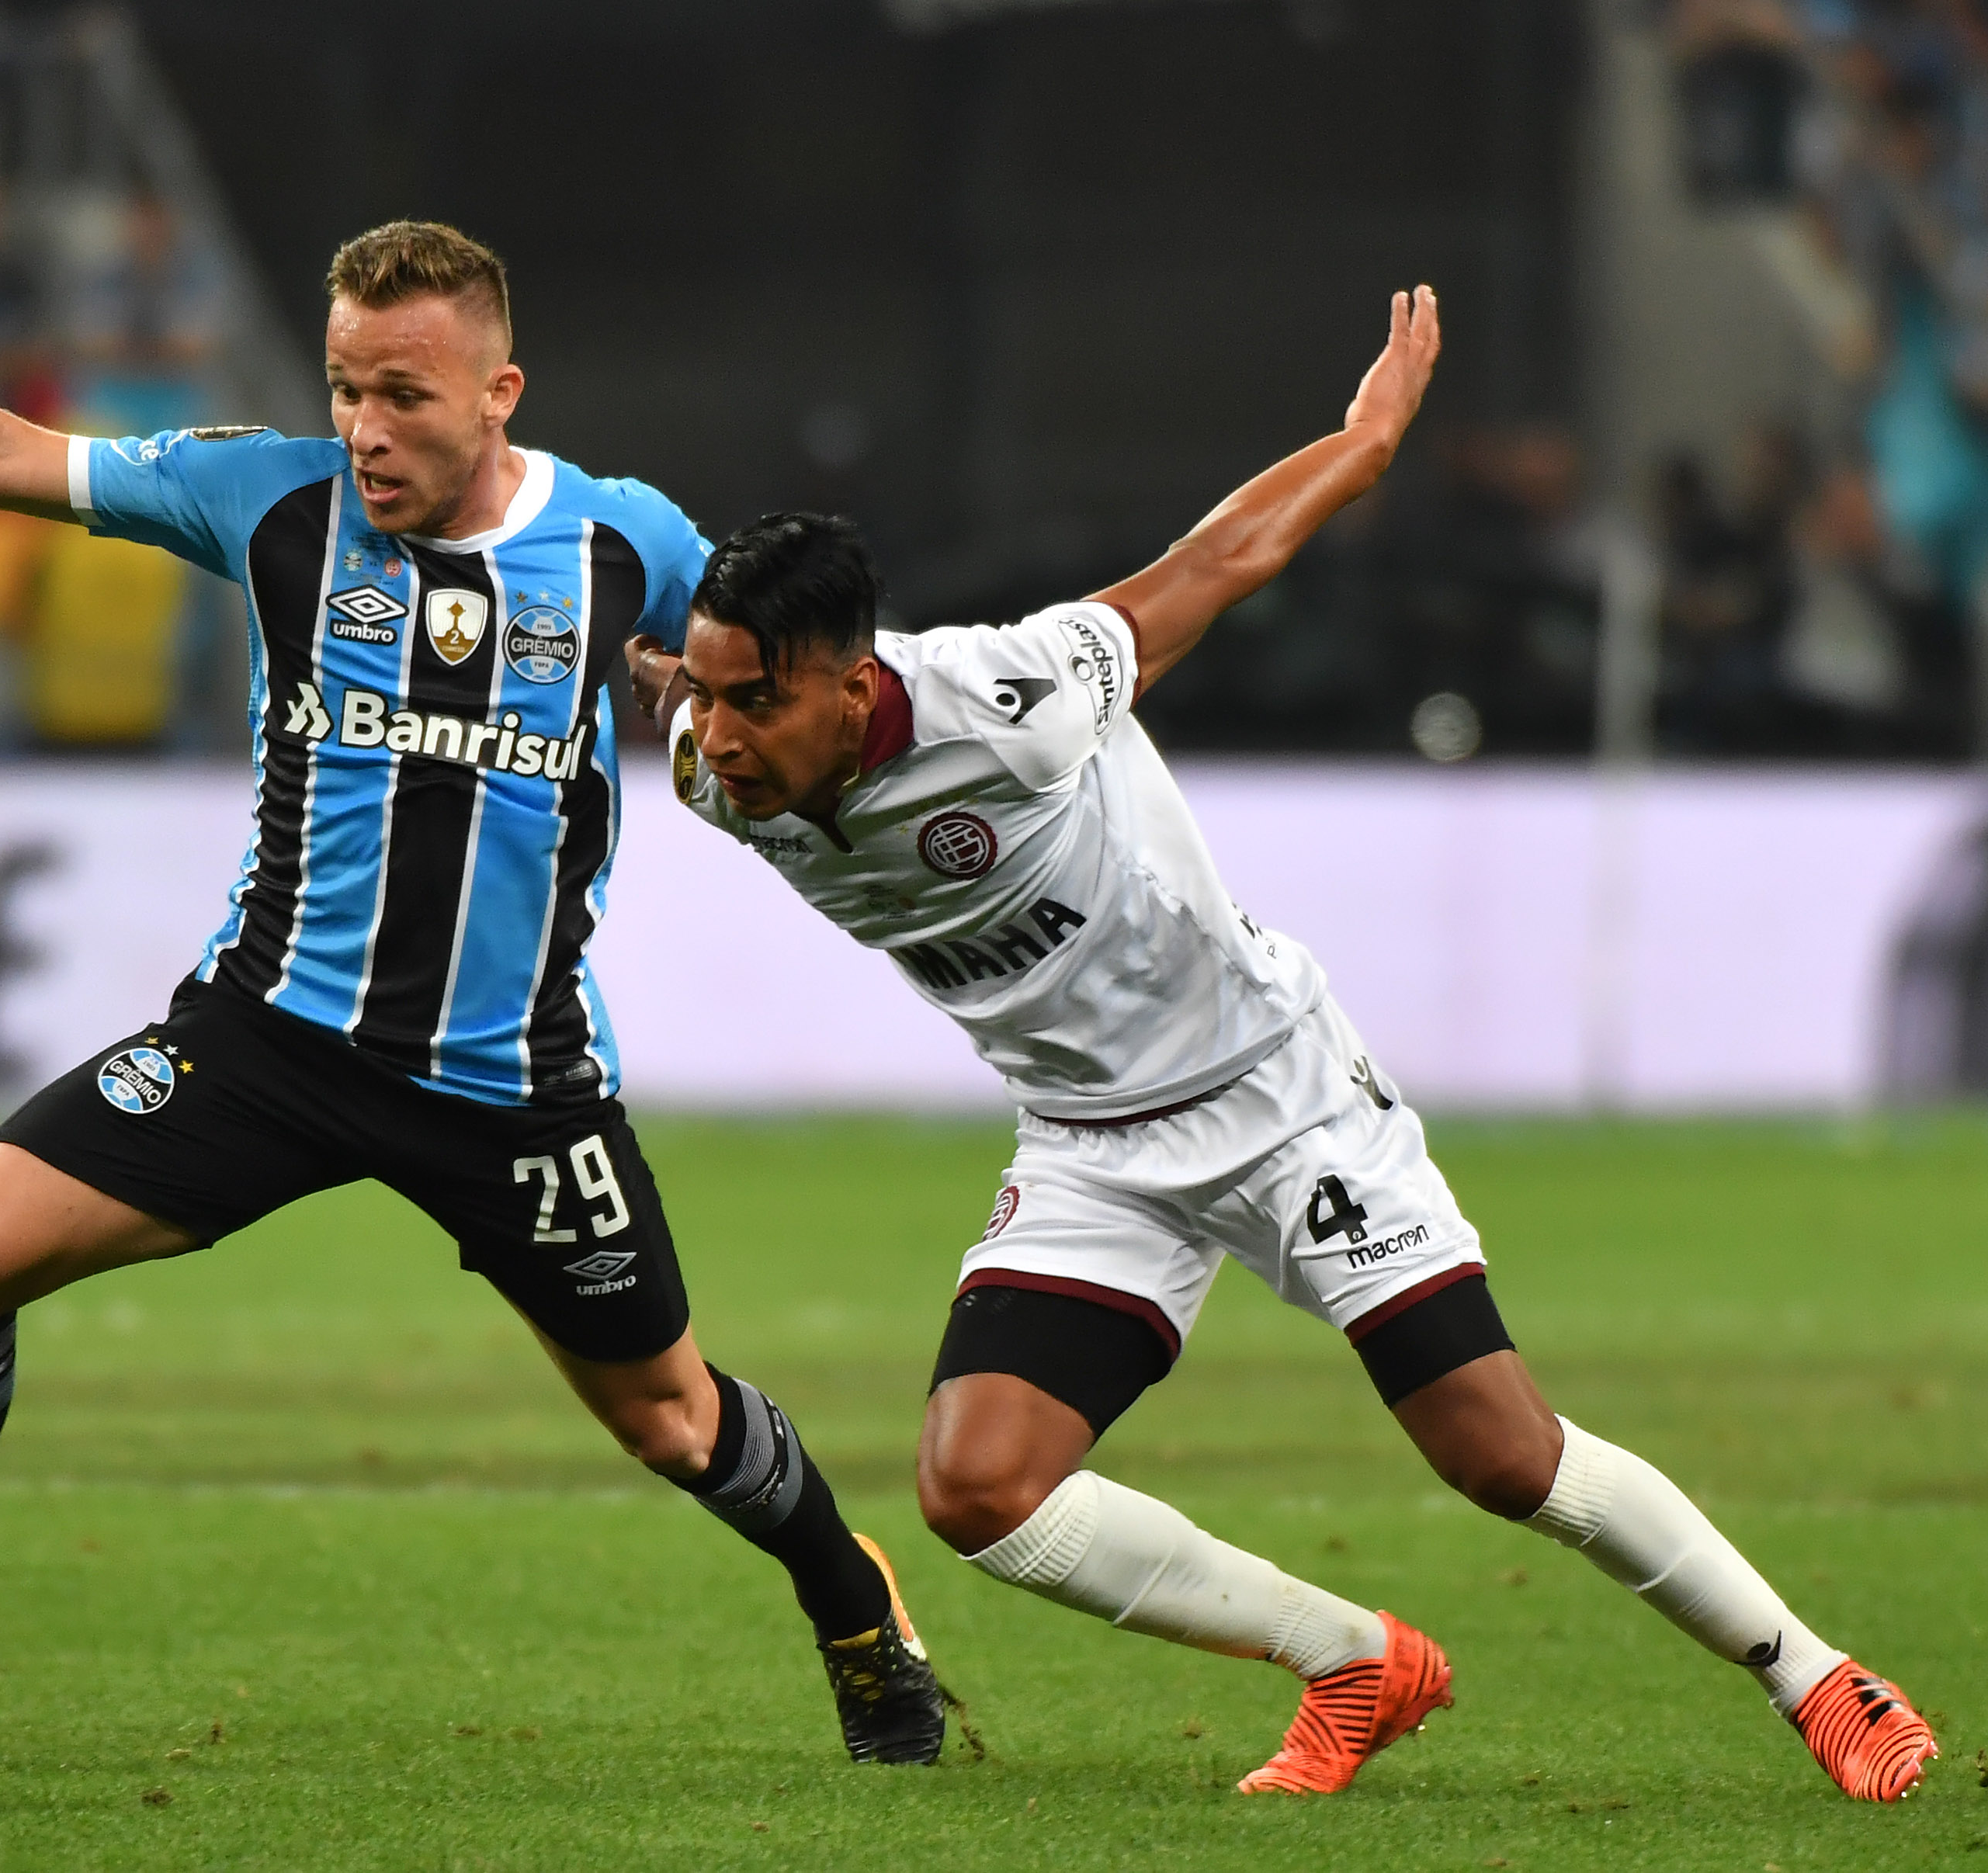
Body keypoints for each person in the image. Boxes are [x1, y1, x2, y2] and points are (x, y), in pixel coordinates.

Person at [0, 217, 952, 1764]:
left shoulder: (624, 542)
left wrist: (783, 733)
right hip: (267, 1039)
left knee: (671, 1421)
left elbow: (796, 670)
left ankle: (853, 1604)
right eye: (347, 386)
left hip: (511, 1080)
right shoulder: (267, 498)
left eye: (406, 396)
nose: (366, 428)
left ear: (500, 390)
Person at [628, 286, 1938, 1803]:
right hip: (1091, 1146)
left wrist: (1363, 441)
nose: (717, 741)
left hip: (1278, 1097)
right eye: (705, 698)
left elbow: (1214, 565)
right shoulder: (714, 769)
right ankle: (1353, 1659)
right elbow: (661, 688)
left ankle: (1816, 1672)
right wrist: (642, 668)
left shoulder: (1006, 698)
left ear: (853, 680)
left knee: (1499, 1454)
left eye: (753, 701)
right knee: (976, 1487)